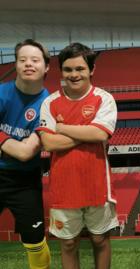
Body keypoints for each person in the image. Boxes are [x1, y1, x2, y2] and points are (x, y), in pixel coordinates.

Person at [37, 43, 118, 269]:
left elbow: (101, 133)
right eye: (68, 69)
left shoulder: (104, 99)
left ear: (91, 70)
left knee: (100, 239)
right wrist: (87, 131)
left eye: (80, 69)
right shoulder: (50, 102)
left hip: (98, 185)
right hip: (63, 187)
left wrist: (63, 128)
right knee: (69, 244)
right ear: (61, 71)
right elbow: (49, 143)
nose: (74, 75)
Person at [0, 39, 51, 269]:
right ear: (16, 65)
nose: (28, 64)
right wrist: (12, 144)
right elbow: (19, 146)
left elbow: (25, 152)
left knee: (34, 240)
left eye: (35, 60)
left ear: (46, 66)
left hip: (24, 180)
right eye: (22, 60)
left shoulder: (49, 105)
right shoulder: (1, 93)